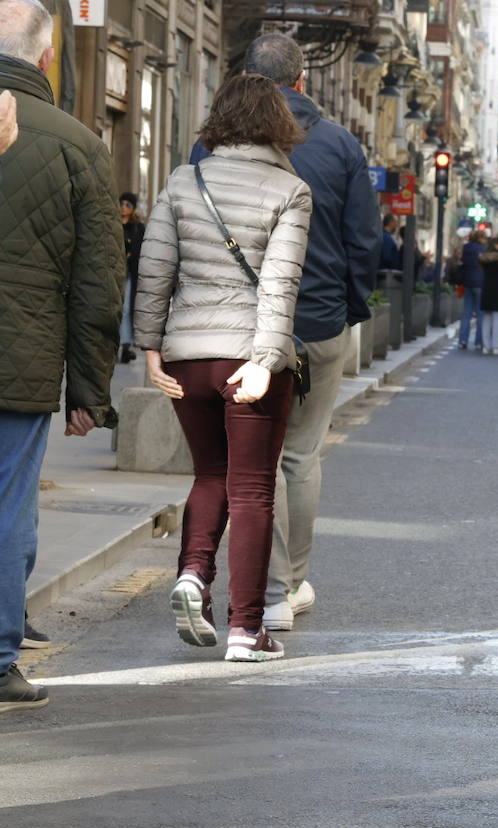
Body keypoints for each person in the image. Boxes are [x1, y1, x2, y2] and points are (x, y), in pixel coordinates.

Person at [191, 35, 380, 634]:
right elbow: (364, 243)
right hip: (318, 322)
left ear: (246, 76)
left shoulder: (211, 145)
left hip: (239, 329)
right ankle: (289, 585)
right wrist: (344, 310)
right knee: (300, 456)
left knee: (252, 461)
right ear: (301, 82)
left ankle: (269, 594)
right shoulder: (341, 144)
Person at [136, 73, 312, 662]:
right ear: (278, 125)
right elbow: (279, 287)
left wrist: (150, 348)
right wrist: (264, 360)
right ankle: (245, 629)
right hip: (249, 358)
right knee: (254, 489)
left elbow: (154, 267)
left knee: (210, 476)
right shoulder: (291, 190)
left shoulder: (185, 180)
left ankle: (192, 575)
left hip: (189, 359)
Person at [0, 0, 123, 711]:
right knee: (9, 509)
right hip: (21, 364)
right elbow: (98, 284)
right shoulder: (78, 143)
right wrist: (90, 390)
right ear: (45, 58)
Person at [118, 192, 145, 364]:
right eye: (122, 203)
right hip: (114, 273)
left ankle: (125, 344)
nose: (124, 207)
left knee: (126, 308)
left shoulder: (138, 228)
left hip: (129, 274)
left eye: (128, 204)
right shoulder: (112, 224)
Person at [458, 228, 488, 347]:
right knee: (480, 314)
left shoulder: (466, 248)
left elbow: (463, 263)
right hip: (480, 282)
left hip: (467, 282)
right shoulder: (483, 249)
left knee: (466, 314)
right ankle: (479, 341)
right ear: (481, 238)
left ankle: (463, 340)